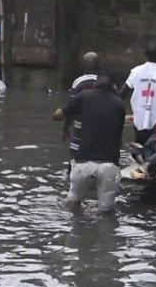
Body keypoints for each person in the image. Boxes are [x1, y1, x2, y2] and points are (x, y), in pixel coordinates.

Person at [52, 70, 125, 213]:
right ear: (113, 87)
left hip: (83, 164)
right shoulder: (120, 105)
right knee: (106, 214)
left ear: (95, 84)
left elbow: (58, 115)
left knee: (71, 204)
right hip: (109, 165)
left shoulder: (84, 96)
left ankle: (75, 231)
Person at [120, 41, 156, 153]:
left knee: (139, 148)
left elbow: (122, 94)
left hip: (139, 119)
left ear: (145, 54)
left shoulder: (135, 72)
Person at [62, 52, 102, 162]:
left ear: (83, 66)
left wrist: (65, 128)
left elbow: (71, 108)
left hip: (80, 131)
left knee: (74, 162)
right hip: (101, 131)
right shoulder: (106, 82)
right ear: (99, 65)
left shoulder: (78, 83)